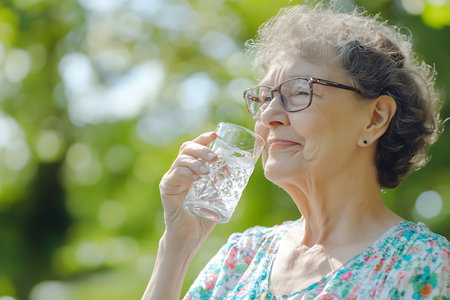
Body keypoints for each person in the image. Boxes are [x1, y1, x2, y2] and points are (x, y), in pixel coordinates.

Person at [143, 4, 449, 300]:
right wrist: (177, 245)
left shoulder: (423, 267)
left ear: (375, 118)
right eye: (265, 98)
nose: (268, 115)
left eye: (301, 91)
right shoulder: (241, 258)